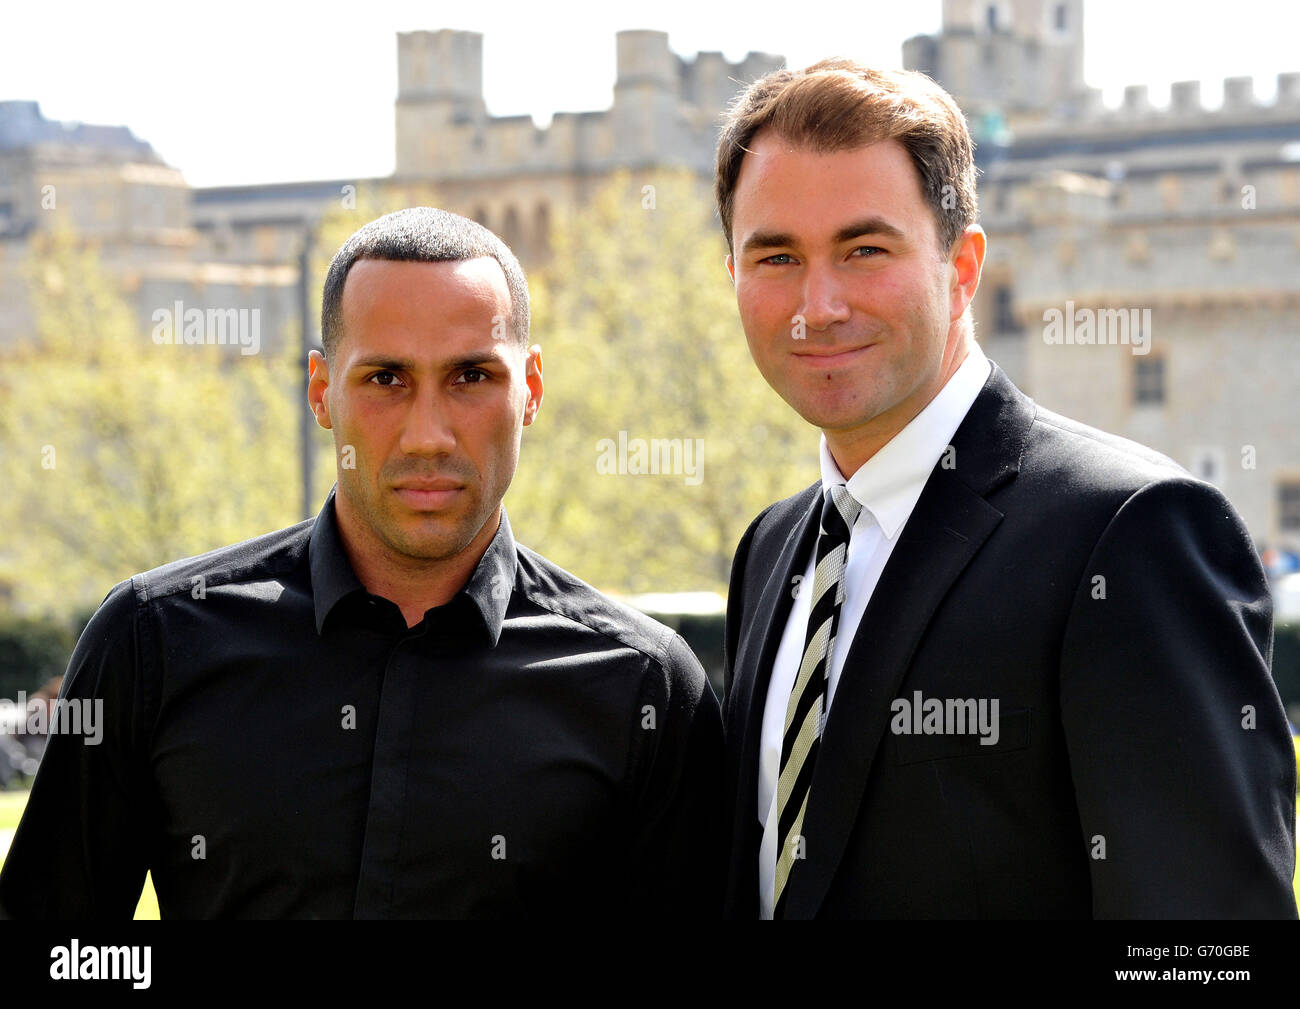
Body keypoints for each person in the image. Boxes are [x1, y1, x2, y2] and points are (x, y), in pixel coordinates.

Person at [0, 207, 723, 919]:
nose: (428, 435)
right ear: (321, 390)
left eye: (472, 376)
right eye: (386, 379)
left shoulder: (646, 689)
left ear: (530, 389)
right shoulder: (151, 642)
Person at [714, 59, 1297, 919]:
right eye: (776, 256)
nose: (818, 303)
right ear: (731, 274)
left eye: (864, 249)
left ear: (964, 266)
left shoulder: (1130, 532)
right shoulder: (772, 549)